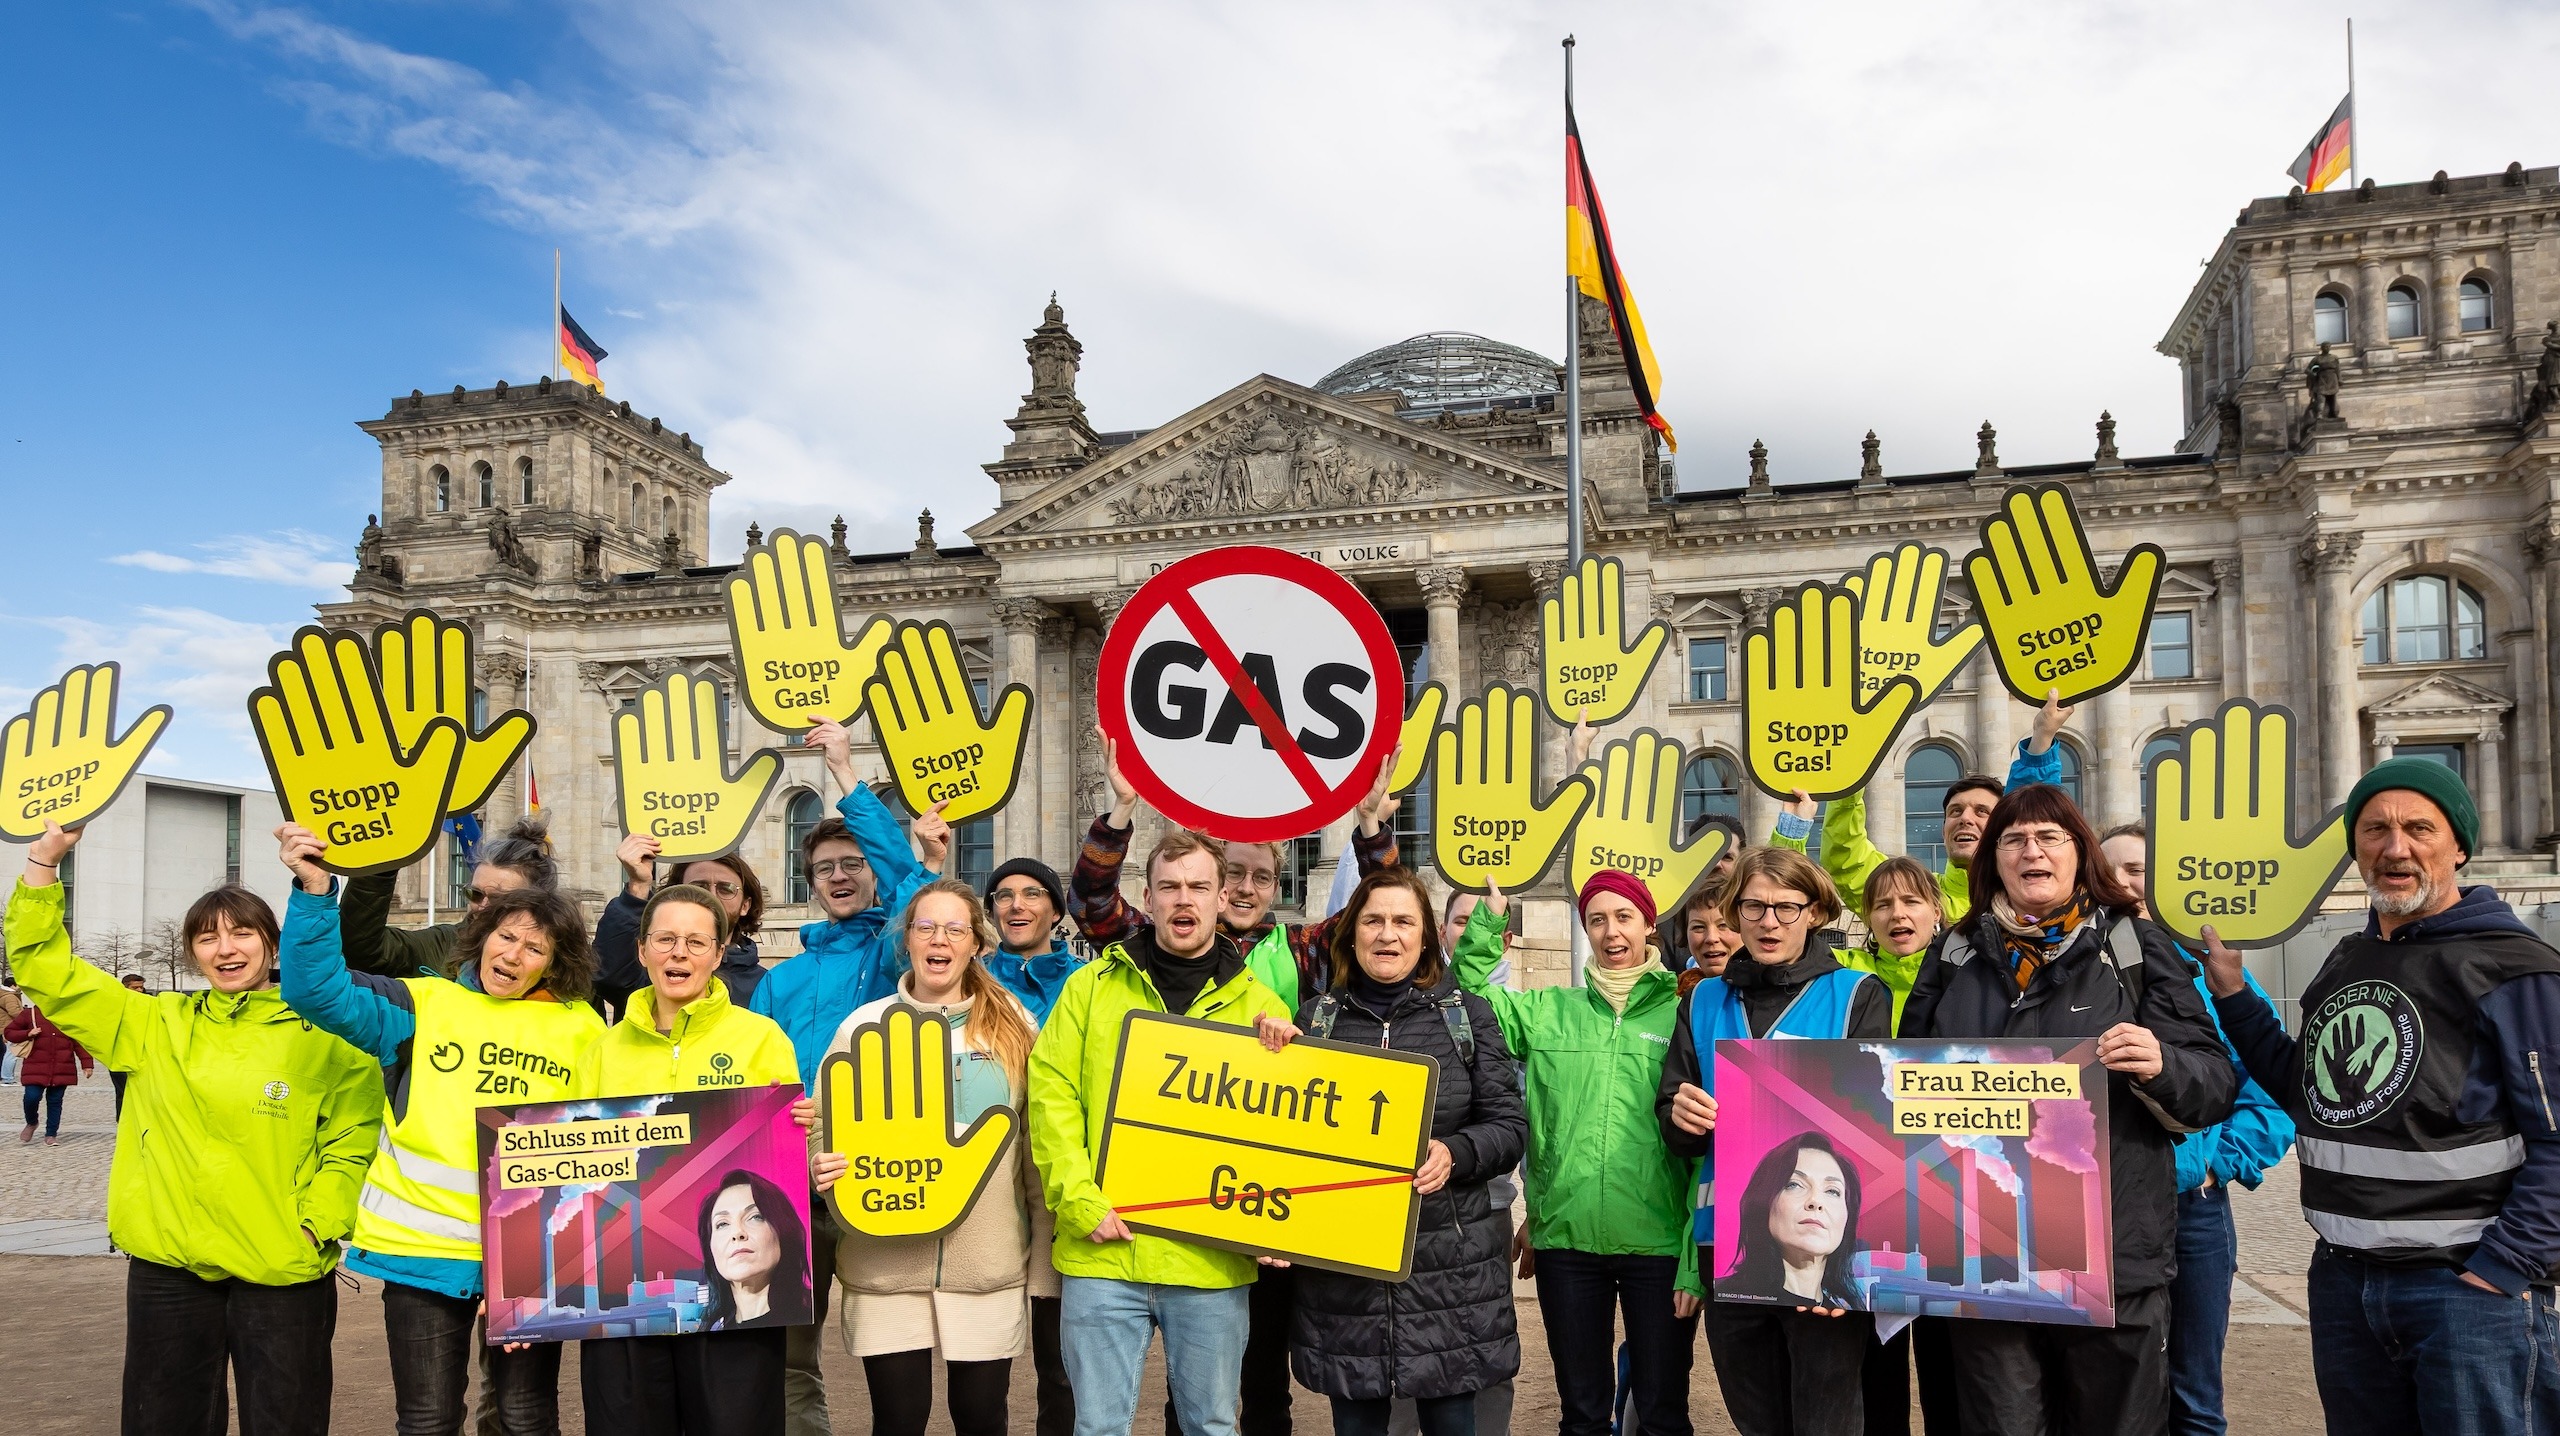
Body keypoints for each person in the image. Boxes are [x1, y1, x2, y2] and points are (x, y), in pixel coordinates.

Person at [2199, 758, 2560, 1433]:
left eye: (2419, 827)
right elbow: (2312, 1093)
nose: (2395, 847)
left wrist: (2503, 1268)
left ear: (2457, 845)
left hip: (2464, 1292)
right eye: (2375, 830)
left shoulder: (2516, 966)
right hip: (2343, 1284)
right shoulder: (2346, 959)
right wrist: (2235, 994)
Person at [1071, 734, 1405, 1436]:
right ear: (1214, 889)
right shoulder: (1157, 938)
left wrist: (1371, 829)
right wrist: (1120, 811)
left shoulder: (1306, 951)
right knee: (1187, 1398)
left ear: (1276, 888)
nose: (1247, 888)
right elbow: (1094, 902)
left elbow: (1379, 909)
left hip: (1264, 1207)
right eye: (1236, 877)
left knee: (1261, 1387)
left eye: (1261, 877)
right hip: (1169, 1203)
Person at [7, 819, 382, 1436]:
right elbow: (49, 972)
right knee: (164, 1419)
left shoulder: (327, 1031)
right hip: (169, 1263)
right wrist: (44, 865)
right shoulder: (151, 1022)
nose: (226, 949)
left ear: (273, 943)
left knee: (286, 1420)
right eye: (207, 938)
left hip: (282, 1263)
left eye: (242, 933)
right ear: (192, 952)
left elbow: (353, 1134)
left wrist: (320, 1218)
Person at [1898, 785, 2236, 1435]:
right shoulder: (1955, 952)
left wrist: (2163, 1062)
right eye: (2014, 839)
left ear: (2081, 854)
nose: (2032, 851)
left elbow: (2213, 1082)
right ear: (1990, 860)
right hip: (1986, 1263)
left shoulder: (2135, 947)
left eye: (2050, 837)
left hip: (2111, 1261)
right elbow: (1900, 1083)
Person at [275, 826, 604, 1436]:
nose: (513, 955)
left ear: (558, 962)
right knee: (427, 1420)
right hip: (424, 1256)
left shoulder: (583, 1029)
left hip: (530, 1259)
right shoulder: (421, 1004)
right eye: (505, 937)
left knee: (527, 1417)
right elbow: (312, 989)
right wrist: (316, 890)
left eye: (535, 948)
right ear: (482, 937)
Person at [1030, 828, 1291, 1436]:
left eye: (1198, 887)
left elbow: (1283, 1131)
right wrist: (1079, 1202)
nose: (1184, 900)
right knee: (1097, 1427)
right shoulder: (1088, 990)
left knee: (1211, 1426)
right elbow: (1051, 1098)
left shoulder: (1263, 1005)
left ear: (1222, 896)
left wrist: (1280, 1221)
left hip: (1209, 1262)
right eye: (1170, 887)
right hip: (1104, 1249)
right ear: (1145, 898)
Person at [1252, 867, 1527, 1436]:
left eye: (1403, 921)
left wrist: (1455, 1151)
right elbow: (1284, 1147)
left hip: (1449, 1272)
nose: (1387, 934)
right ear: (1351, 934)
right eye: (1373, 920)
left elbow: (1508, 1126)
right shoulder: (1316, 1022)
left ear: (1425, 936)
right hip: (1345, 1277)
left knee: (1453, 1425)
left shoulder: (1468, 1017)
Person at [1452, 872, 1695, 1436]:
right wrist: (1491, 922)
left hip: (1657, 1242)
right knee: (1581, 1414)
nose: (1611, 932)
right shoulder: (1546, 1011)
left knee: (1663, 1413)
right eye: (1597, 920)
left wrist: (1691, 1254)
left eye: (1624, 917)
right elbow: (1472, 995)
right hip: (1566, 1242)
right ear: (1585, 929)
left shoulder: (1683, 1014)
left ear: (1648, 925)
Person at [750, 715, 941, 1436]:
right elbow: (759, 1079)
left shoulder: (898, 949)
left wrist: (844, 773)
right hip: (792, 1181)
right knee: (791, 1350)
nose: (838, 876)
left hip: (875, 1168)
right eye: (826, 867)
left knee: (886, 1342)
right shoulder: (782, 978)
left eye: (852, 863)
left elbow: (915, 888)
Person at [1658, 846, 1890, 1436]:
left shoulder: (1858, 994)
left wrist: (1853, 1260)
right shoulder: (1702, 999)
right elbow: (1673, 1111)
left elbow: (1876, 1133)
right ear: (1735, 912)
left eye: (1786, 907)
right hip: (1730, 1242)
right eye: (1754, 906)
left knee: (1826, 1417)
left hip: (1825, 1251)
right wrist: (1679, 1116)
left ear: (1814, 912)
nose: (1769, 921)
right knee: (1754, 1415)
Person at [812, 878, 1046, 1436]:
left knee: (982, 1418)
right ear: (908, 939)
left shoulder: (1015, 1026)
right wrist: (819, 1163)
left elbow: (1038, 1151)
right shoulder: (862, 1027)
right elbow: (822, 1124)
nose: (938, 938)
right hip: (883, 1263)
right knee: (896, 1421)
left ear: (977, 944)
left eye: (954, 928)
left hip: (986, 1263)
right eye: (925, 926)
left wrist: (1041, 1268)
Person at [574, 881, 803, 1435]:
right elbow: (572, 1171)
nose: (680, 953)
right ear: (642, 950)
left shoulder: (762, 1038)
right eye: (667, 939)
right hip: (623, 1293)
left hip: (732, 1291)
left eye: (697, 942)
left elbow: (782, 1159)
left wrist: (802, 1132)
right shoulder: (600, 1051)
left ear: (720, 955)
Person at [2094, 822, 2293, 1436]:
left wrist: (2215, 1161)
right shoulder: (2086, 970)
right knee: (2108, 1384)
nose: (2125, 884)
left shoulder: (2220, 974)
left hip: (2192, 1209)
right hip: (2103, 1209)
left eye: (2140, 869)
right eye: (2110, 872)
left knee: (2193, 1390)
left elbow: (2274, 1092)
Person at [1775, 694, 2075, 927]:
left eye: (1982, 812)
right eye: (1955, 812)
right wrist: (1851, 779)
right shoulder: (1915, 893)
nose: (1965, 819)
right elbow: (1847, 860)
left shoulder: (2026, 891)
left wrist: (2041, 739)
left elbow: (2032, 811)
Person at [980, 856, 1083, 1436]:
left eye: (1032, 894)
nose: (1016, 905)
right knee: (984, 1353)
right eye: (1004, 895)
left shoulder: (1083, 981)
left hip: (1054, 1175)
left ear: (1054, 910)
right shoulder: (973, 982)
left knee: (1059, 1356)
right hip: (988, 1173)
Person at [330, 814, 561, 979]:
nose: (482, 907)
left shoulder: (563, 970)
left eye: (501, 901)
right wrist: (383, 864)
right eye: (475, 894)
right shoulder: (444, 945)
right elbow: (361, 948)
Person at [596, 837, 774, 1012]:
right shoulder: (653, 967)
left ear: (745, 905)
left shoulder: (767, 987)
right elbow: (610, 976)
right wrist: (639, 885)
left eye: (725, 888)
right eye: (699, 886)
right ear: (676, 893)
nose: (711, 896)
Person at [1720, 1133, 1863, 1308]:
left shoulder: (1853, 1319)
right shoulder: (1727, 1297)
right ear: (1764, 1201)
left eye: (1833, 1191)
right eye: (1794, 1184)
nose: (1815, 1202)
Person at [701, 1170, 810, 1332]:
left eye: (755, 1217)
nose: (737, 1233)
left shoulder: (806, 1318)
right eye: (722, 1224)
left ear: (783, 1231)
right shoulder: (707, 1333)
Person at [7, 988, 91, 1144]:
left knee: (55, 1101)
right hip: (35, 1067)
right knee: (31, 1098)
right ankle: (32, 1122)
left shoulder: (69, 1017)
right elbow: (9, 1032)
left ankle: (51, 1134)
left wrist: (87, 1064)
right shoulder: (30, 1014)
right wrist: (28, 1033)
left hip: (62, 1067)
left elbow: (79, 1042)